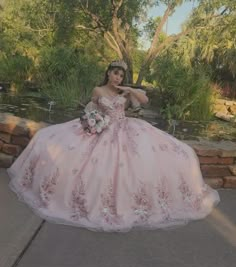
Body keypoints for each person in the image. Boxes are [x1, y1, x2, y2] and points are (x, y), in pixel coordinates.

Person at [7, 60, 220, 232]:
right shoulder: (98, 90)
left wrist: (128, 89)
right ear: (108, 72)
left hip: (125, 127)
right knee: (69, 152)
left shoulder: (124, 93)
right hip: (102, 128)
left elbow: (144, 101)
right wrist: (92, 121)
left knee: (175, 154)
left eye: (121, 75)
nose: (117, 77)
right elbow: (91, 108)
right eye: (115, 73)